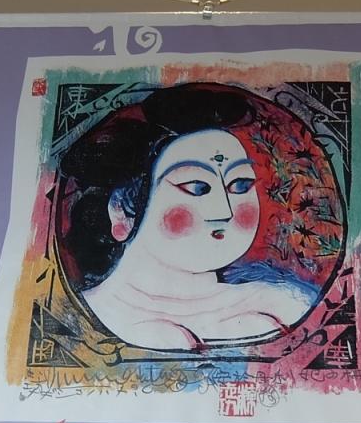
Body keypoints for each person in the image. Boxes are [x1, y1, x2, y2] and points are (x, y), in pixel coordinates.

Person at [59, 83, 316, 350]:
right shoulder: (79, 314)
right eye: (196, 188)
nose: (224, 211)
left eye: (240, 185)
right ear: (122, 209)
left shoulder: (285, 304)